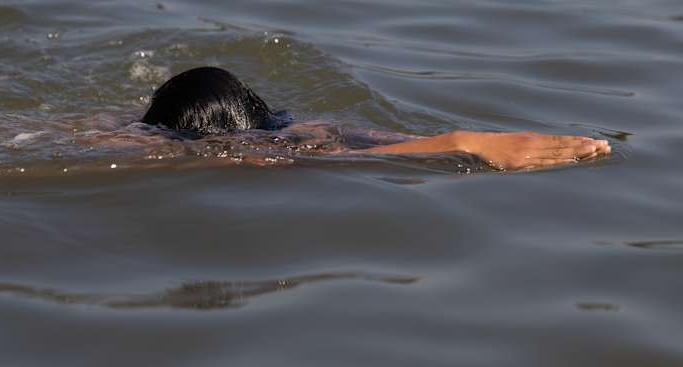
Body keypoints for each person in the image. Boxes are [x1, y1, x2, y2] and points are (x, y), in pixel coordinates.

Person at [122, 66, 611, 171]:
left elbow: (369, 151)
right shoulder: (279, 135)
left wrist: (465, 142)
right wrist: (463, 141)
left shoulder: (270, 147)